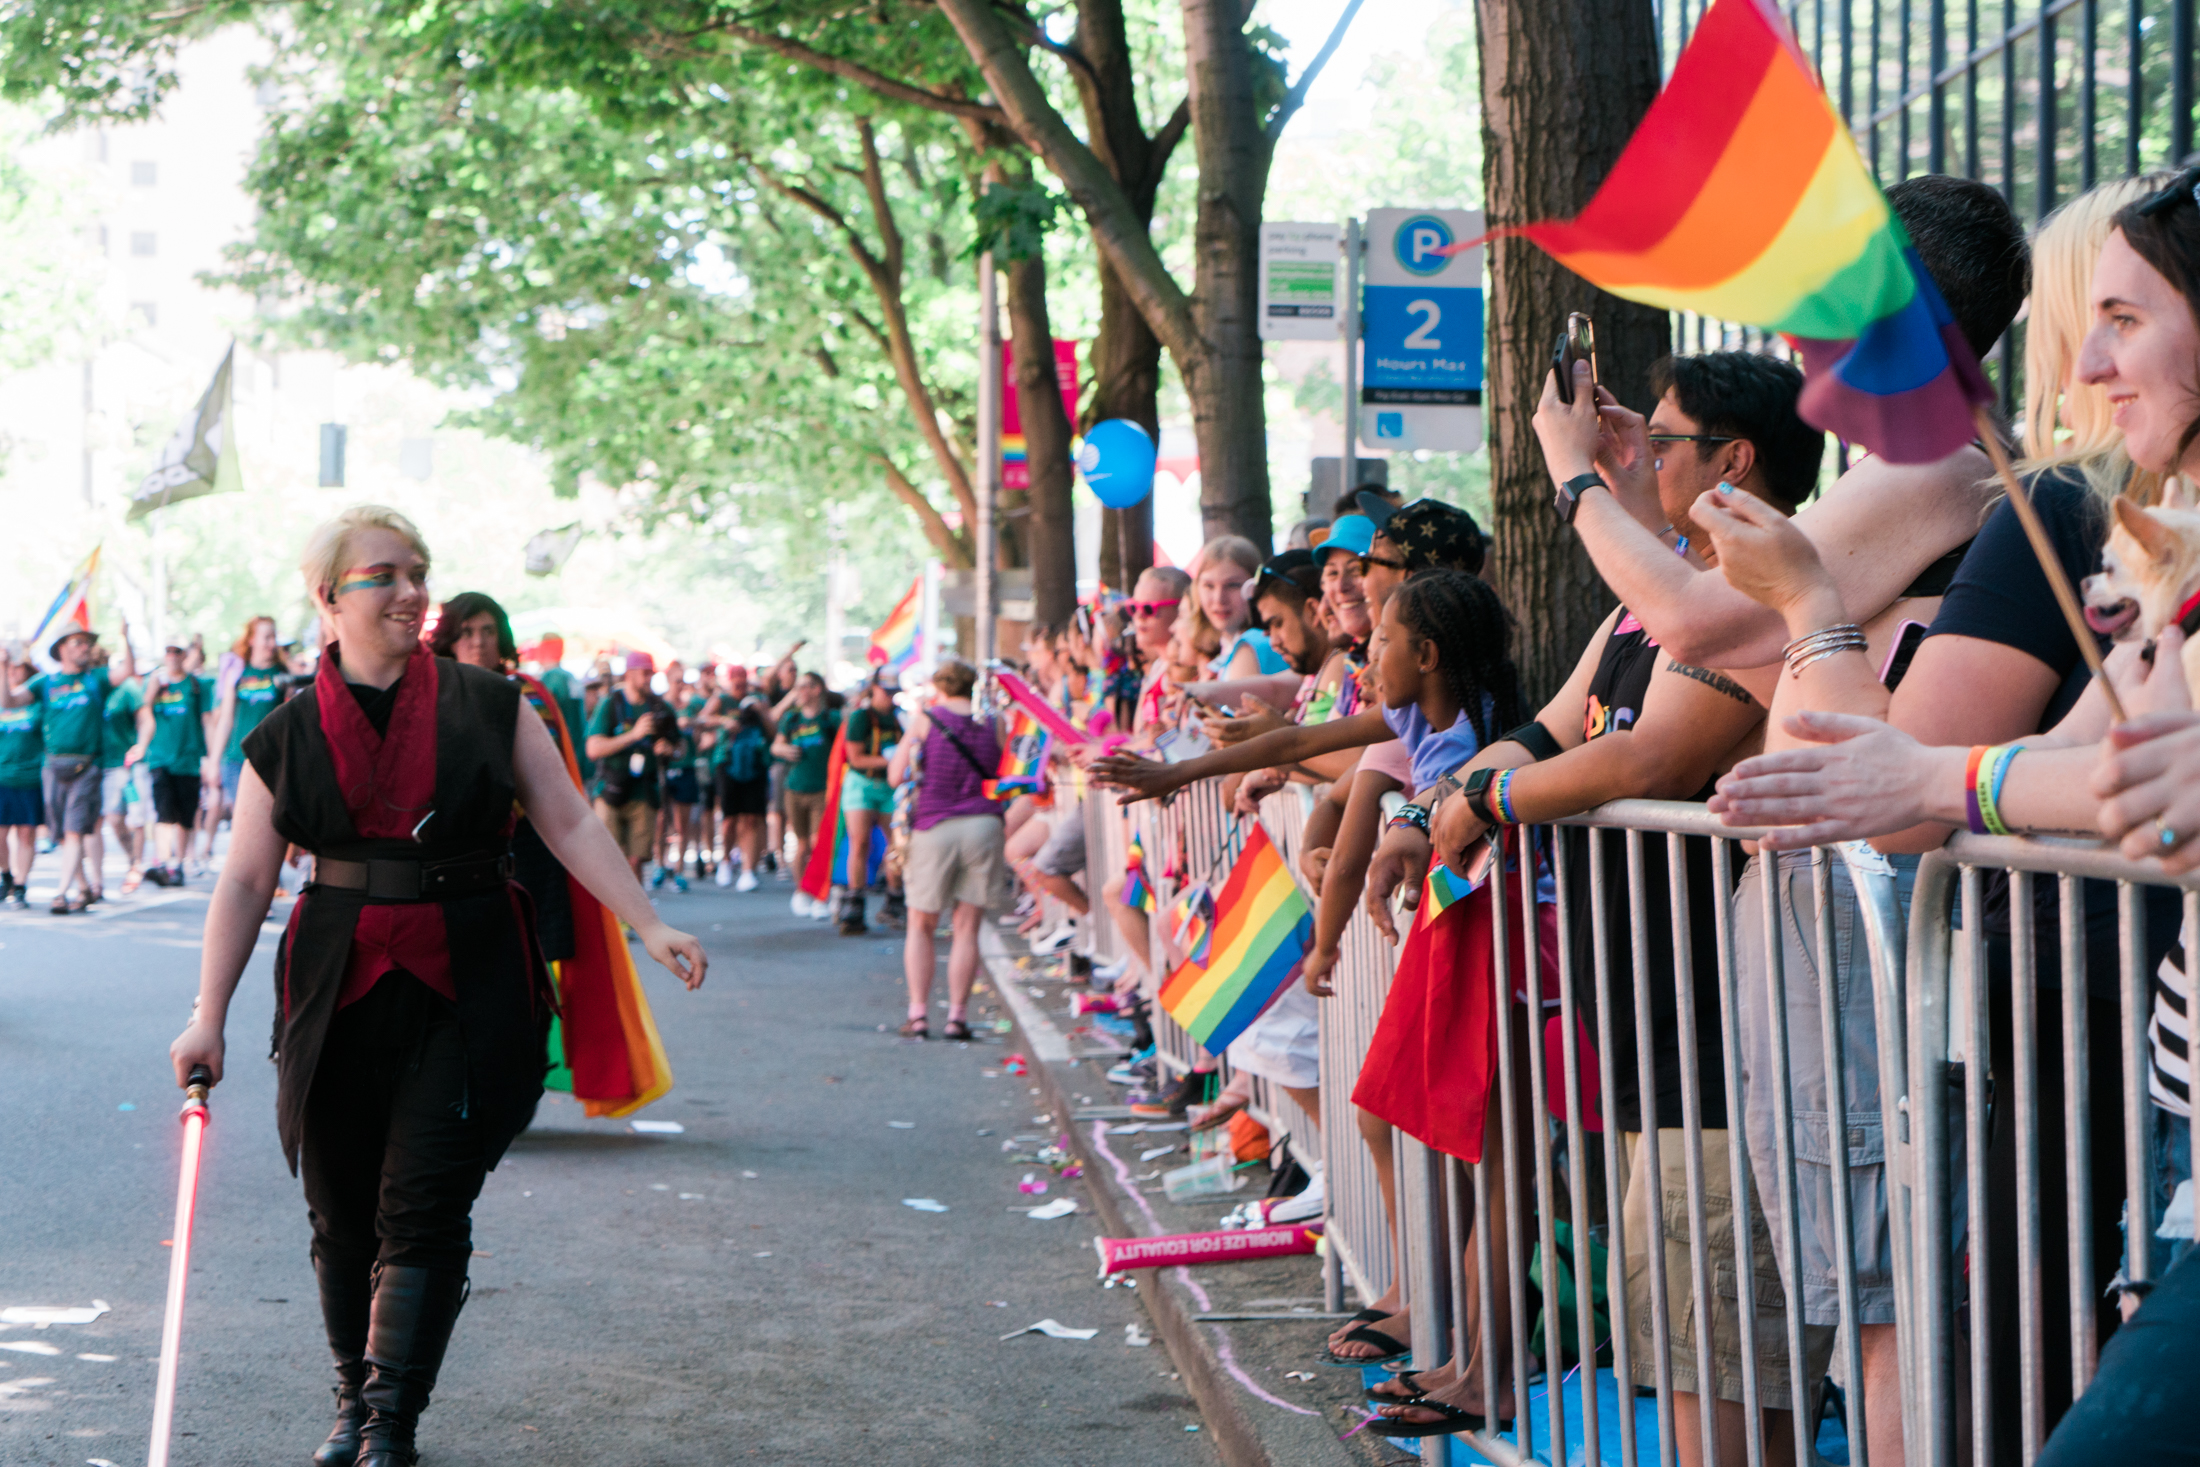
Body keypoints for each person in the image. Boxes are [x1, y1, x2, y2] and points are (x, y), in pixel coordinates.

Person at [1529, 172, 2028, 1467]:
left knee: (1880, 1305)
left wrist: (1576, 481)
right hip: (1833, 924)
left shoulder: (1938, 459)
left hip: (1867, 924)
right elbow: (1737, 625)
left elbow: (1702, 627)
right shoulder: (1913, 462)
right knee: (1854, 1298)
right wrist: (1641, 491)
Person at [1704, 164, 2200, 1455]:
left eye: (2124, 316)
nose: (2089, 358)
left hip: (2072, 1055)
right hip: (2154, 1105)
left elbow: (1921, 767)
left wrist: (1817, 614)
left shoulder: (2022, 493)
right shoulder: (2157, 556)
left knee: (1965, 1373)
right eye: (2081, 320)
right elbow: (2093, 763)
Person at [167, 505, 706, 1467]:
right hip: (334, 980)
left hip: (471, 976)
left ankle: (389, 1423)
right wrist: (207, 1016)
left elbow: (572, 824)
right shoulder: (285, 733)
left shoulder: (492, 706)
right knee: (340, 1211)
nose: (414, 592)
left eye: (420, 572)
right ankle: (351, 1401)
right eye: (387, 575)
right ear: (328, 597)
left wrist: (647, 920)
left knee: (423, 1204)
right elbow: (248, 879)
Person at [1387, 351, 1824, 1459]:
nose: (1644, 456)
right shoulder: (1648, 610)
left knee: (1716, 1358)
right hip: (1641, 1030)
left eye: (1666, 441)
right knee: (1677, 1346)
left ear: (1734, 462)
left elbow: (1648, 757)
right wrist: (1437, 800)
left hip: (1719, 1041)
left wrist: (1485, 802)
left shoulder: (1751, 598)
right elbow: (1547, 727)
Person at [431, 593, 576, 969]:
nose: (478, 641)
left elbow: (550, 780)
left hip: (530, 846)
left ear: (502, 638)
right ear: (449, 640)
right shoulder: (431, 697)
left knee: (536, 963)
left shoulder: (531, 695)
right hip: (457, 853)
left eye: (487, 630)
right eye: (466, 632)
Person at [887, 658, 1002, 1040]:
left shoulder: (926, 719)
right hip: (984, 825)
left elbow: (895, 774)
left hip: (934, 825)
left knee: (921, 924)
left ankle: (918, 1015)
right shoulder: (991, 722)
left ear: (939, 687)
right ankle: (957, 1017)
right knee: (966, 928)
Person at [1, 619, 135, 913]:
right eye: (78, 642)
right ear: (61, 649)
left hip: (87, 767)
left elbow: (126, 672)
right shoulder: (45, 683)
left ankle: (61, 892)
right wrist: (2, 667)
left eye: (87, 642)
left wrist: (126, 638)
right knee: (61, 833)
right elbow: (9, 701)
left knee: (74, 831)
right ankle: (84, 888)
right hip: (52, 767)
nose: (85, 647)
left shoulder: (95, 679)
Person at [583, 651, 678, 885]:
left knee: (636, 860)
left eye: (650, 673)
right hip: (611, 789)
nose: (648, 679)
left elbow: (681, 747)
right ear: (629, 674)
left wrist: (669, 749)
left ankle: (633, 916)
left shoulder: (660, 707)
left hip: (643, 791)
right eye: (644, 673)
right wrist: (633, 735)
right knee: (610, 858)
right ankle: (614, 917)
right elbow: (593, 749)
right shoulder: (611, 704)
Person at [132, 640, 217, 892]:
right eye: (167, 651)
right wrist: (152, 691)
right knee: (163, 812)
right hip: (160, 757)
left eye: (176, 652)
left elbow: (207, 719)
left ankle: (178, 863)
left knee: (185, 816)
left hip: (188, 758)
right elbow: (142, 713)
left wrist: (211, 758)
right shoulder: (154, 682)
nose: (171, 656)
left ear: (184, 656)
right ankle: (164, 862)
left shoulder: (196, 685)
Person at [837, 669, 903, 935]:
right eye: (885, 691)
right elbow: (855, 759)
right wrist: (893, 760)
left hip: (890, 785)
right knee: (860, 841)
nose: (889, 697)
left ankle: (895, 897)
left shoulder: (901, 717)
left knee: (897, 844)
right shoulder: (861, 717)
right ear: (874, 688)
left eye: (892, 692)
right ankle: (855, 900)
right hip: (862, 784)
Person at [211, 616, 288, 833]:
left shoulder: (282, 673)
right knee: (245, 823)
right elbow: (226, 719)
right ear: (252, 639)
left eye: (274, 637)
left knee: (268, 822)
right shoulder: (237, 673)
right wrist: (214, 761)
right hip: (237, 760)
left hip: (271, 760)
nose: (272, 643)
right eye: (266, 637)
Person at [772, 671, 839, 917]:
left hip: (821, 788)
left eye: (806, 686)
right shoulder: (791, 719)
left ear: (817, 689)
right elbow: (775, 744)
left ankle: (822, 891)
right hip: (795, 786)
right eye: (799, 687)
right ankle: (802, 890)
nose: (801, 691)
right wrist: (783, 749)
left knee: (818, 843)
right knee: (801, 845)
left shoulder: (830, 718)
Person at [704, 667, 773, 890]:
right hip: (727, 762)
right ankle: (725, 860)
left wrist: (761, 712)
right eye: (735, 678)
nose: (740, 683)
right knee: (729, 818)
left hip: (754, 762)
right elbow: (702, 718)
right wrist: (723, 721)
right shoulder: (722, 700)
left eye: (743, 678)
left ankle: (748, 869)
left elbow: (773, 730)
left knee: (752, 817)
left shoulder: (758, 699)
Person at [98, 637, 148, 895]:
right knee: (115, 819)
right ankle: (133, 858)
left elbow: (145, 719)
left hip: (130, 764)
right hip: (106, 765)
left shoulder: (127, 688)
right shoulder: (90, 686)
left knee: (137, 817)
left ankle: (136, 866)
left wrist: (141, 744)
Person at [0, 646, 40, 909]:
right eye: (10, 668)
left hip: (30, 777)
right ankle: (6, 875)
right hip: (2, 777)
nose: (15, 672)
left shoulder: (36, 700)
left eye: (18, 668)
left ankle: (21, 884)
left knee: (26, 834)